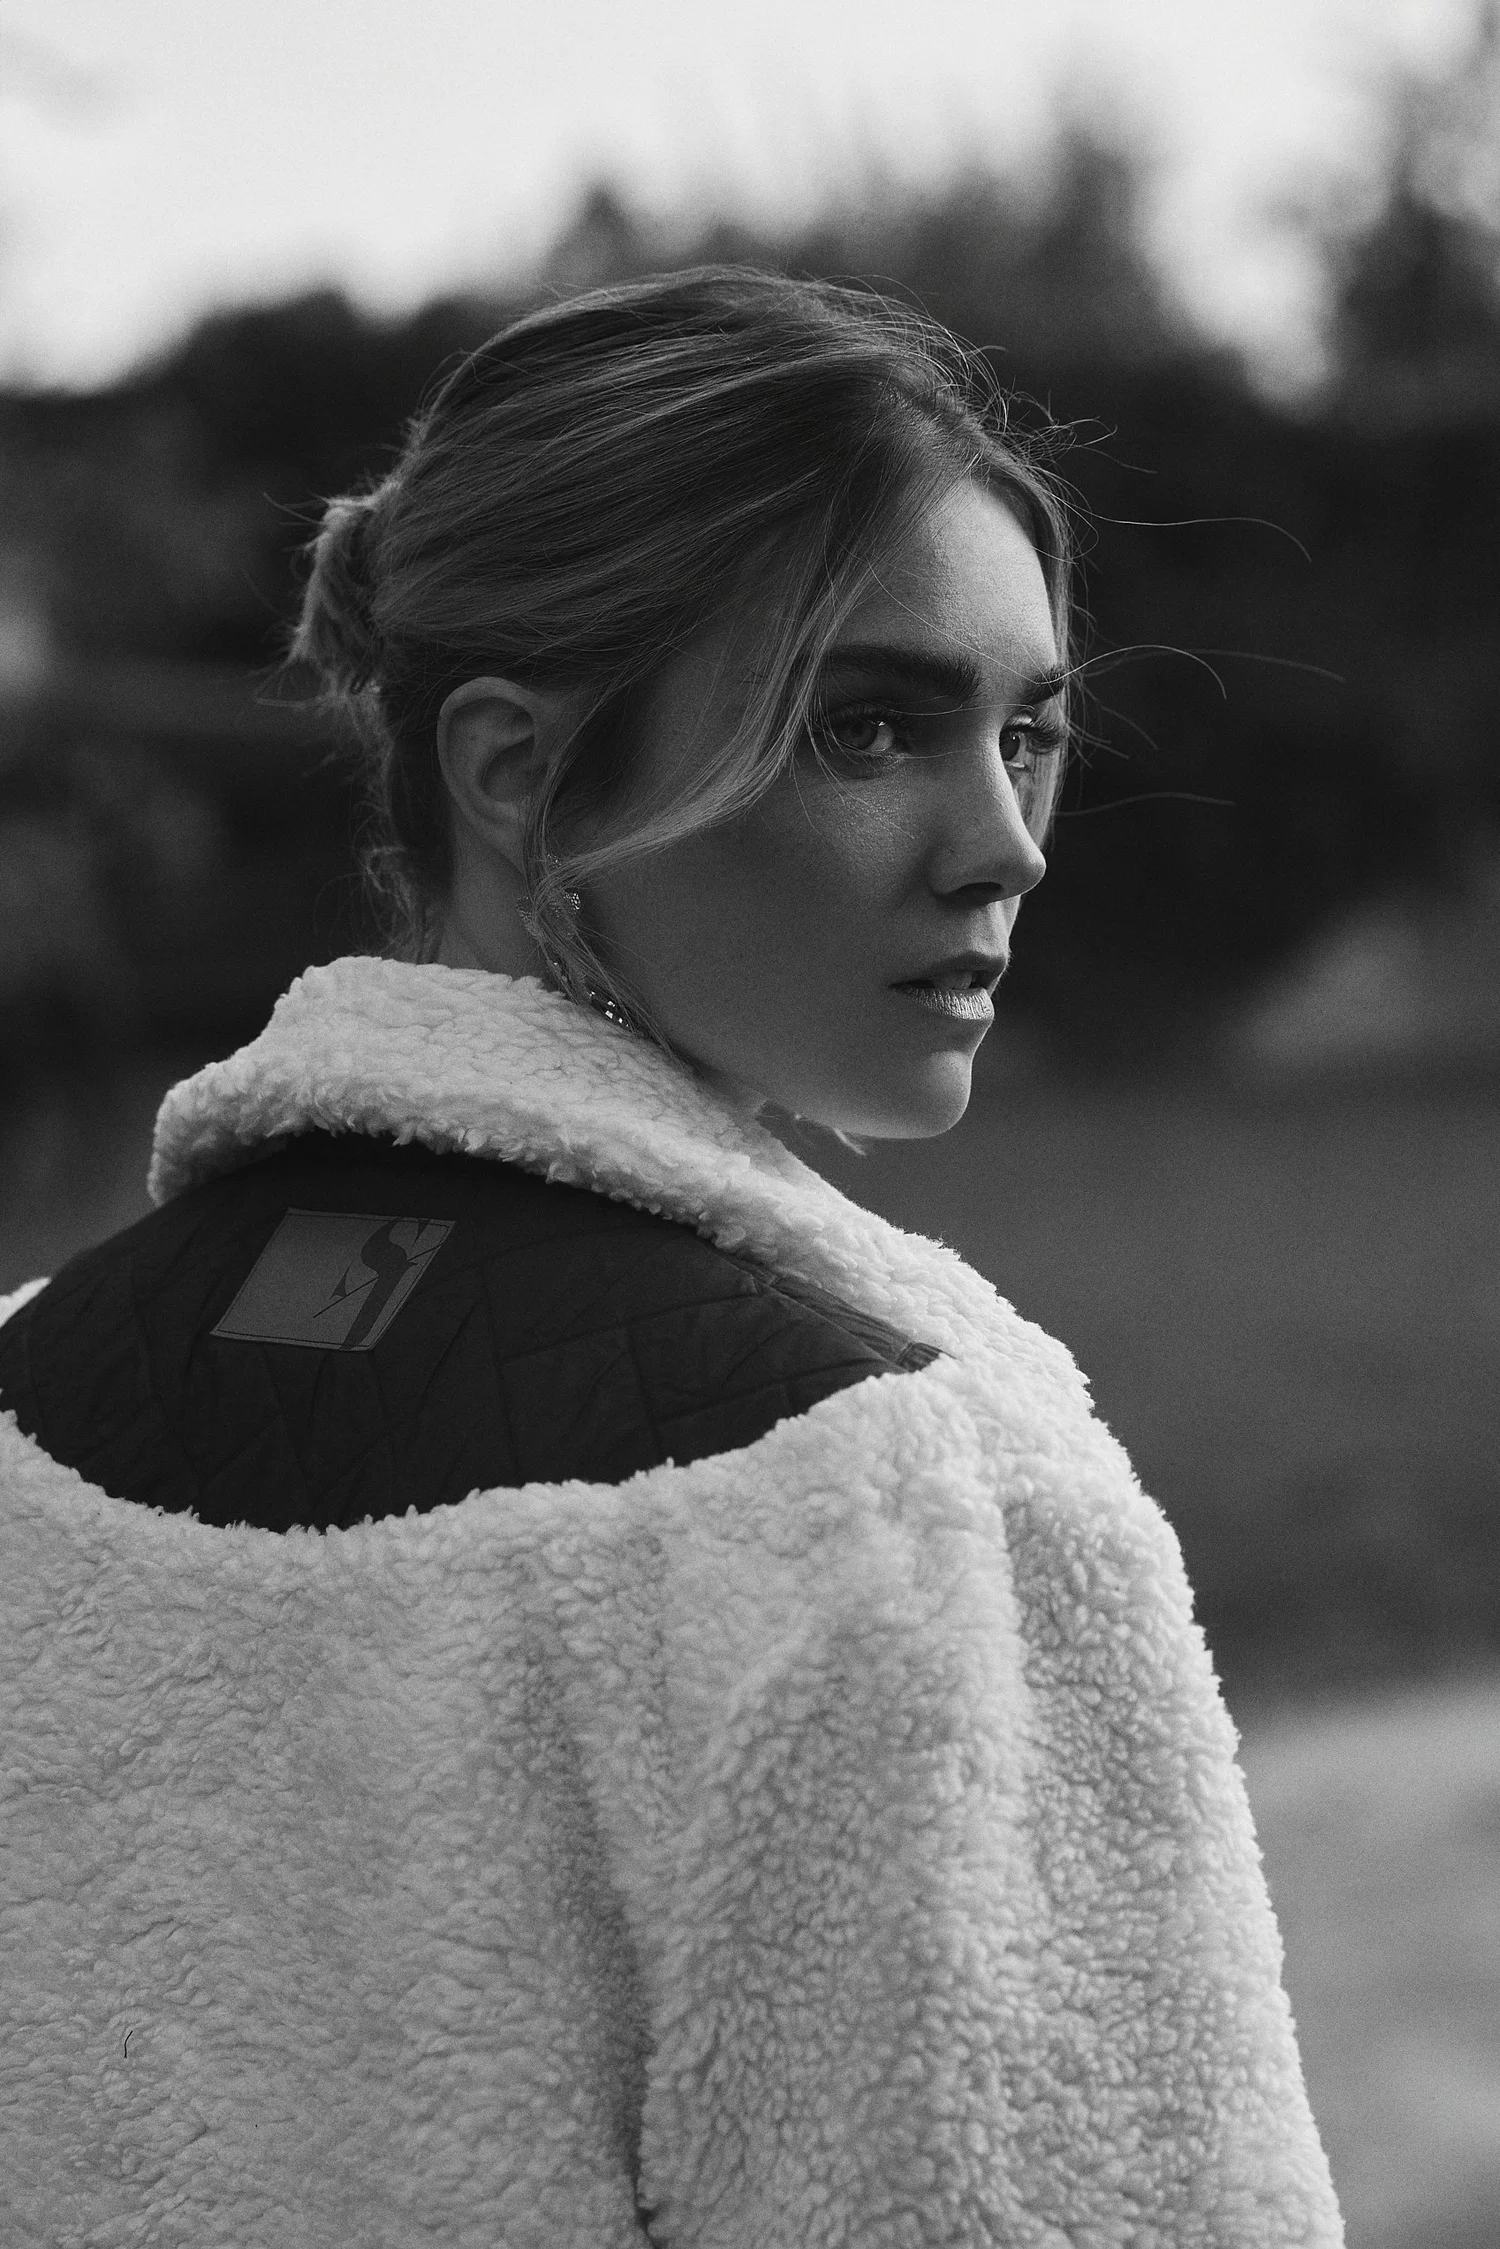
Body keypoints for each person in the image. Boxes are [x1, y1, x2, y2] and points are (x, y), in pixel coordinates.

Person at [0, 270, 1343, 2245]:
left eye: (1029, 731)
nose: (1009, 843)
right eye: (870, 724)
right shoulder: (883, 1499)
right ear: (517, 772)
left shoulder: (26, 1388)